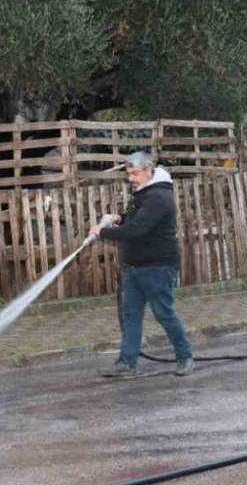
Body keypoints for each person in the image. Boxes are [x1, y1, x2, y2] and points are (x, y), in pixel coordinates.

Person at [89, 151, 195, 378]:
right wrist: (121, 218)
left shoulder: (158, 197)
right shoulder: (144, 194)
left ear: (149, 170)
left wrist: (104, 231)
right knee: (131, 315)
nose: (132, 178)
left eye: (135, 173)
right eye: (129, 174)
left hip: (157, 266)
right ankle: (127, 364)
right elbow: (137, 221)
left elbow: (138, 230)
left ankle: (185, 356)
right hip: (135, 267)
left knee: (164, 313)